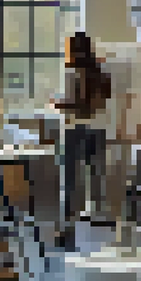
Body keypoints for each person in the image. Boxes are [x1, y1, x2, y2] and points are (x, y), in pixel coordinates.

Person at [55, 32, 112, 239]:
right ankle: (96, 215)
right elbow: (102, 102)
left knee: (70, 176)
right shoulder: (100, 72)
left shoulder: (71, 71)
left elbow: (76, 104)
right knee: (95, 173)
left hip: (74, 128)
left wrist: (57, 104)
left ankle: (68, 221)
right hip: (98, 127)